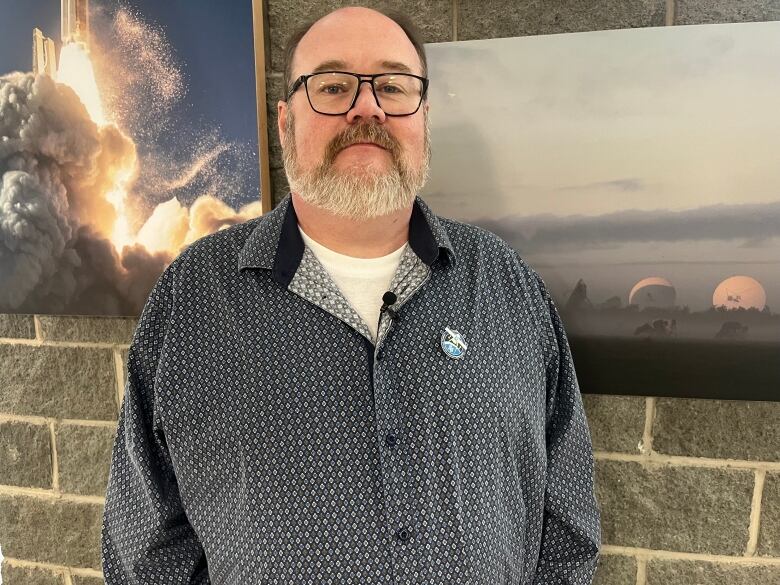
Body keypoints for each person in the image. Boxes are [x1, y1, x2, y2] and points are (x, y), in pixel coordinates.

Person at [101, 6, 601, 584]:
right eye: (334, 86)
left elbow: (566, 527)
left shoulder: (508, 287)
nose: (368, 107)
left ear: (423, 118)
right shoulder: (192, 299)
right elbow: (146, 552)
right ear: (285, 123)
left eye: (393, 86)